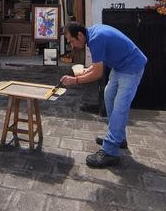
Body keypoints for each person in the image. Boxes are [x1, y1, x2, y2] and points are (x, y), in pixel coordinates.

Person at [60, 21, 147, 168]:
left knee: (120, 107)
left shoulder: (96, 39)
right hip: (119, 67)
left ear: (80, 35)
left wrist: (75, 80)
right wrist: (88, 70)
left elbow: (98, 73)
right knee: (108, 95)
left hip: (131, 68)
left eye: (72, 41)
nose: (72, 45)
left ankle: (110, 151)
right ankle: (119, 138)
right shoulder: (92, 34)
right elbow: (97, 65)